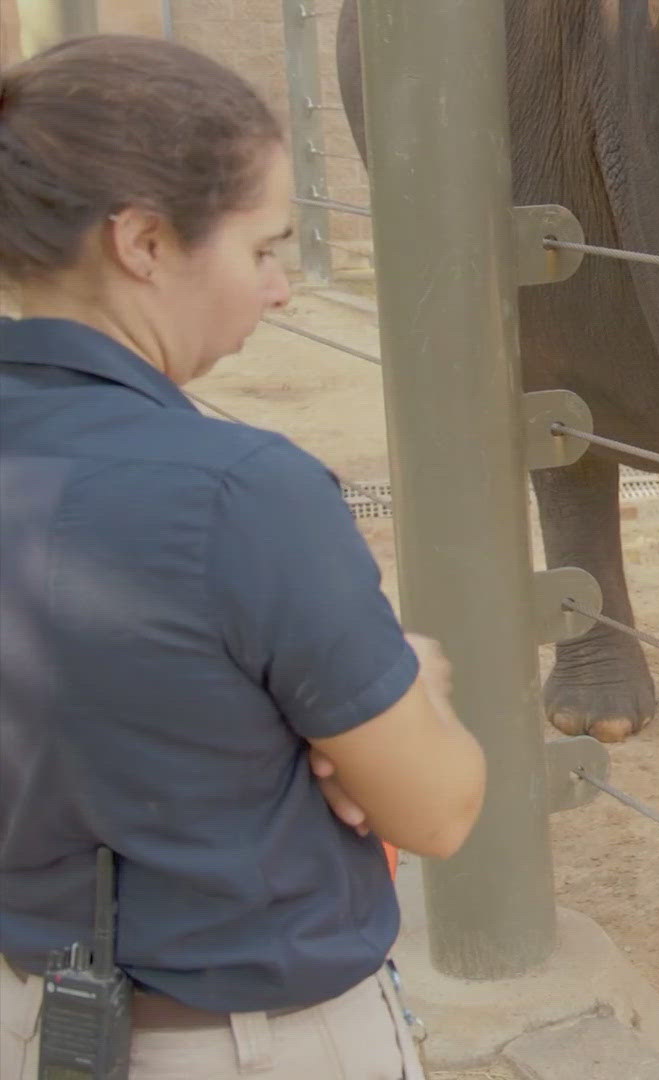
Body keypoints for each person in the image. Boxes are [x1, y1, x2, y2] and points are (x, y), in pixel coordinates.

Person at [0, 35, 487, 1080]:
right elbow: (436, 806)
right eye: (262, 249)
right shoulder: (241, 492)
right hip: (245, 1044)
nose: (277, 289)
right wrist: (413, 679)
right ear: (142, 242)